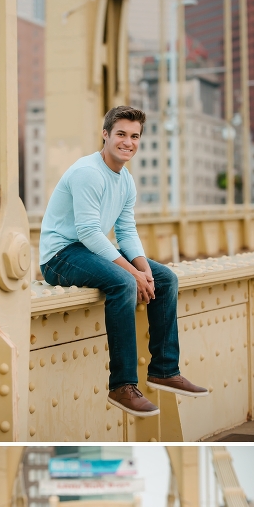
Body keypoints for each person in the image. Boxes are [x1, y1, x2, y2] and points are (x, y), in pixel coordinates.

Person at [39, 106, 208, 417]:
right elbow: (89, 232)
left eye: (134, 136)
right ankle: (122, 385)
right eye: (121, 134)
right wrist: (133, 274)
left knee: (166, 278)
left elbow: (126, 231)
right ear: (105, 134)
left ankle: (164, 370)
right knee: (123, 282)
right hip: (60, 255)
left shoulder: (125, 180)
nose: (127, 142)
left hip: (88, 250)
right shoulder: (88, 173)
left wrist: (145, 271)